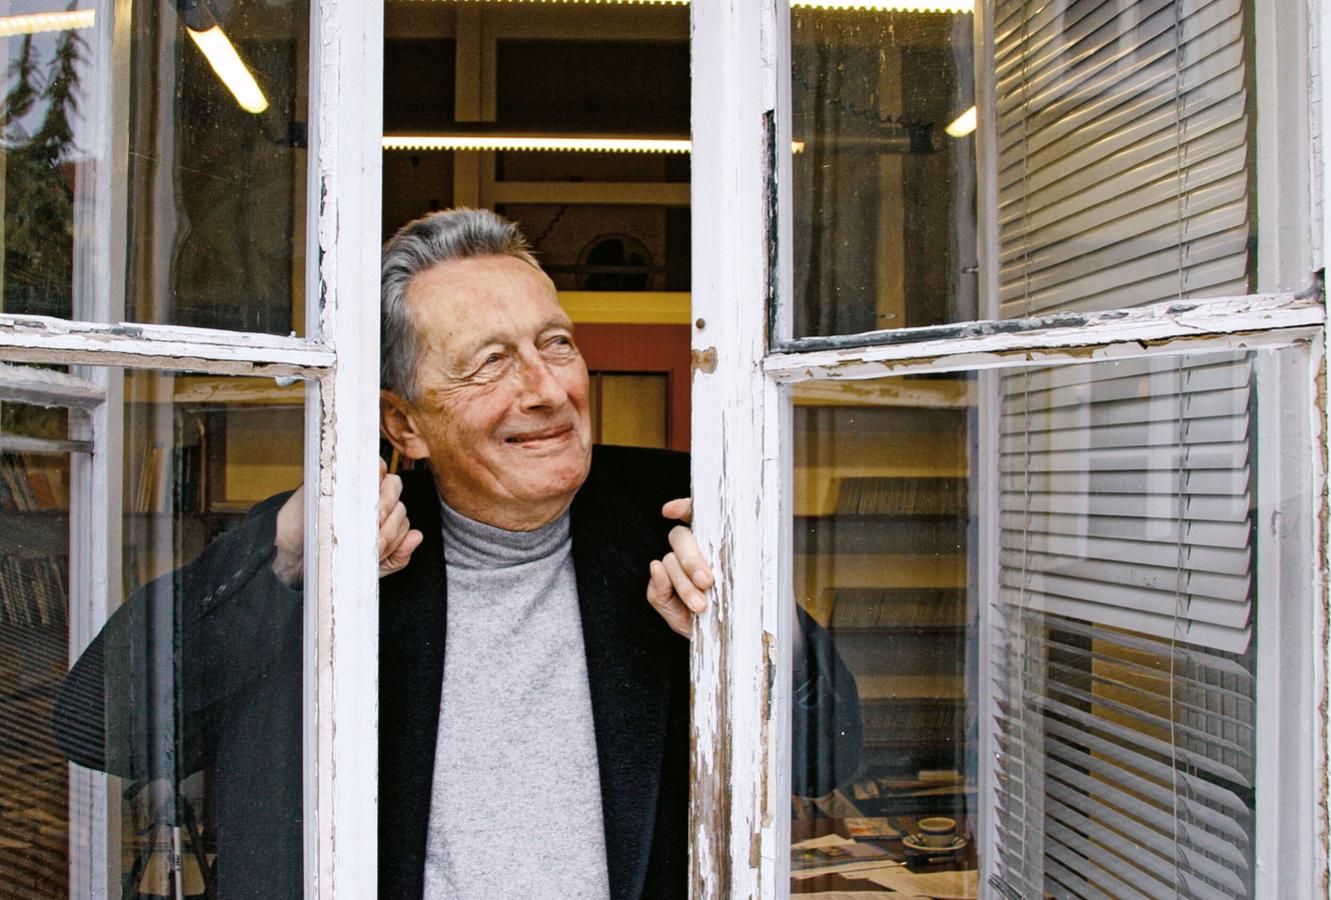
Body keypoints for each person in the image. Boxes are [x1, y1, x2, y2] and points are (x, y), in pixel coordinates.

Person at [53, 208, 860, 899]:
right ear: (403, 425)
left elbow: (829, 758)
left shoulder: (675, 519)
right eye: (490, 362)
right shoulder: (339, 552)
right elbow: (99, 729)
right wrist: (286, 555)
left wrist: (757, 621)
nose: (547, 390)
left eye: (556, 344)